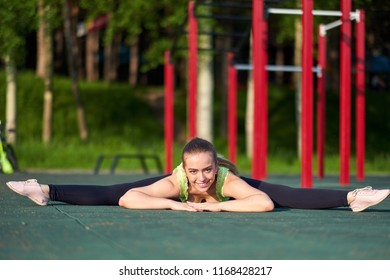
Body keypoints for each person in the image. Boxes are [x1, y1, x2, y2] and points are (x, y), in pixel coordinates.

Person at [6, 137, 390, 213]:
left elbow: (265, 203)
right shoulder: (177, 182)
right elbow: (126, 198)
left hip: (237, 193)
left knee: (286, 192)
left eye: (207, 169)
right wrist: (175, 207)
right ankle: (43, 189)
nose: (202, 179)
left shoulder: (224, 179)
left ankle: (355, 197)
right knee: (113, 188)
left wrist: (218, 208)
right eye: (195, 172)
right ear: (184, 169)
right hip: (174, 196)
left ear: (216, 165)